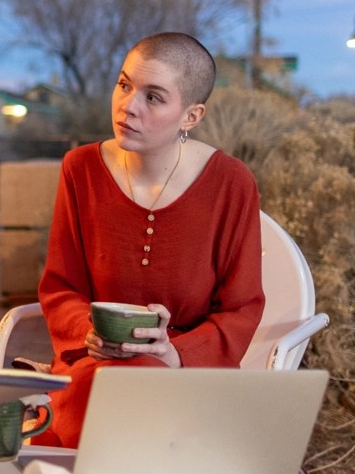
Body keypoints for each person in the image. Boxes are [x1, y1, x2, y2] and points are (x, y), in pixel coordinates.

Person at [34, 32, 266, 448]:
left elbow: (242, 307)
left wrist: (175, 353)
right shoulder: (80, 168)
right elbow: (60, 286)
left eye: (154, 97)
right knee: (107, 402)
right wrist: (90, 331)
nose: (128, 106)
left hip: (188, 377)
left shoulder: (231, 183)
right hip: (95, 366)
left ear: (191, 116)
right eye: (124, 85)